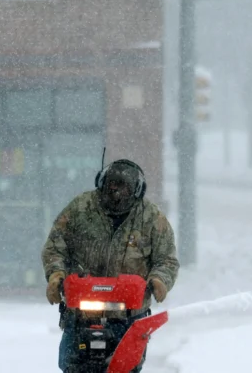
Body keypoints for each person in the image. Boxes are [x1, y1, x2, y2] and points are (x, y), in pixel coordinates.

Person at [41, 159, 180, 372]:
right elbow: (55, 246)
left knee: (127, 366)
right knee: (71, 364)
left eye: (122, 186)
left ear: (136, 191)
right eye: (111, 184)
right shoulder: (80, 208)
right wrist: (55, 275)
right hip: (81, 312)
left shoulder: (151, 218)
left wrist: (160, 280)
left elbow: (167, 259)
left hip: (129, 316)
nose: (114, 190)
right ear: (102, 182)